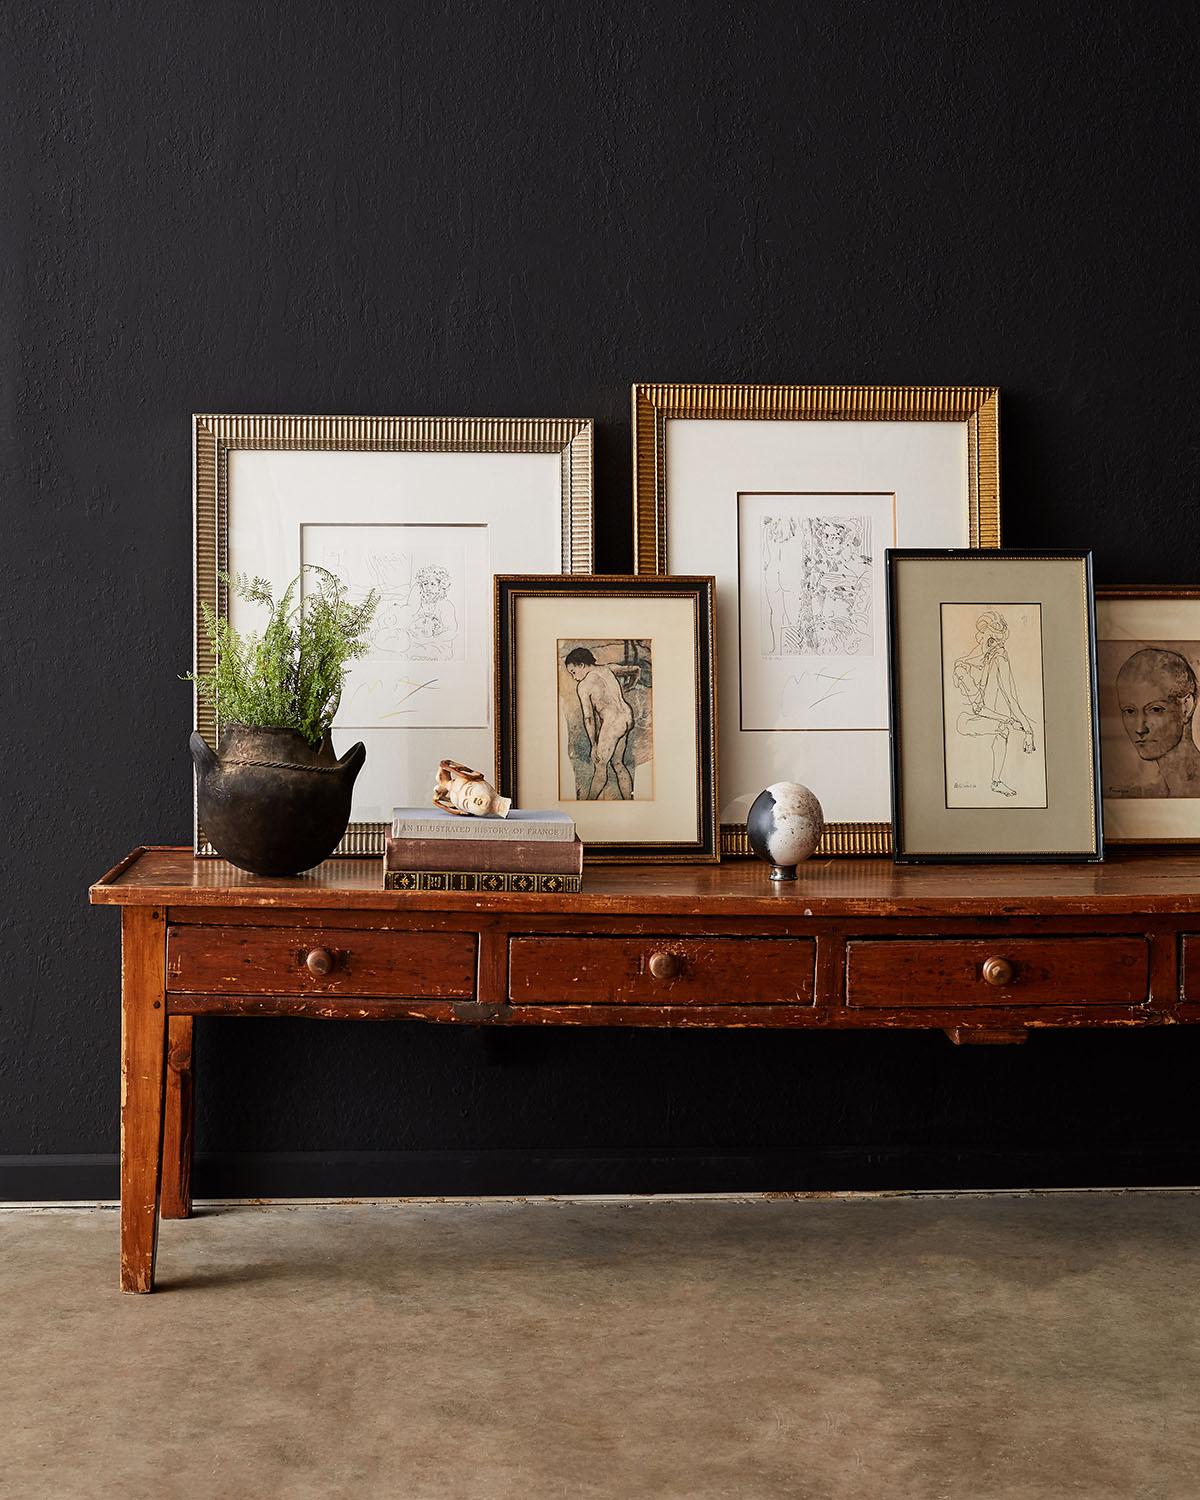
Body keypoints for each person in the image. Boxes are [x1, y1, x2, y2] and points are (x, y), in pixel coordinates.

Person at [953, 611, 1036, 798]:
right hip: (964, 720)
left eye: (1000, 643)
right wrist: (1022, 728)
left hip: (975, 715)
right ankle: (996, 782)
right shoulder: (968, 667)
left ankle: (996, 782)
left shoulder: (992, 658)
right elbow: (979, 708)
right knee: (1003, 728)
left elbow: (1007, 698)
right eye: (997, 642)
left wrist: (1022, 726)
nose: (1001, 647)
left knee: (1004, 726)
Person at [1116, 648, 1200, 796]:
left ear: (1186, 707)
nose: (1140, 729)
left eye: (1155, 709)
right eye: (1129, 711)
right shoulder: (1152, 791)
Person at [563, 646, 638, 799]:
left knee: (600, 767)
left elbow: (589, 718)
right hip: (627, 716)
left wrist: (594, 745)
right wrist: (631, 684)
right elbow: (635, 670)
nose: (574, 677)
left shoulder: (584, 686)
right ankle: (629, 800)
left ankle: (587, 805)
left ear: (581, 665)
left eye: (573, 672)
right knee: (618, 764)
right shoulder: (608, 668)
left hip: (614, 723)